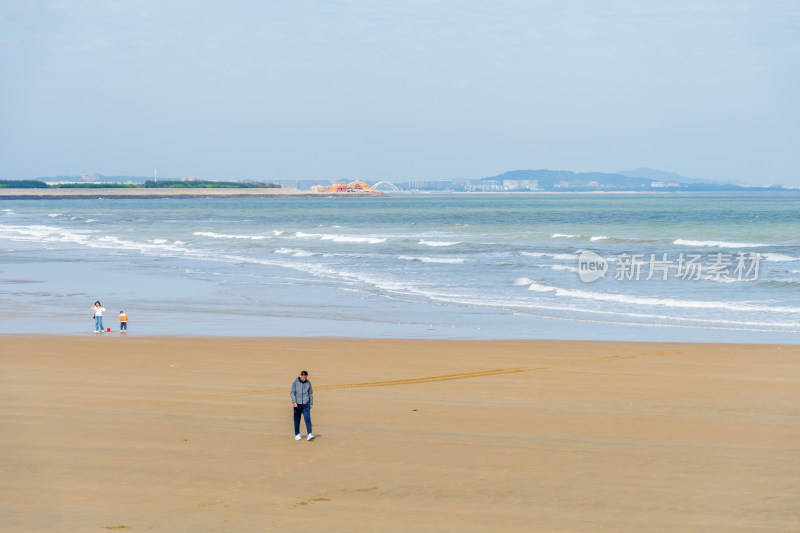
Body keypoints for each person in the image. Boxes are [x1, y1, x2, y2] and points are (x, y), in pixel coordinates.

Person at [290, 371, 314, 441]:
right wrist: (294, 402)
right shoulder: (295, 382)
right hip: (297, 404)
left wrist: (311, 402)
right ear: (301, 375)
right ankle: (297, 434)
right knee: (297, 420)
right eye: (304, 377)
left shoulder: (308, 382)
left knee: (308, 419)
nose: (305, 379)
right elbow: (292, 393)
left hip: (306, 404)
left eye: (306, 377)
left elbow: (310, 393)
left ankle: (309, 434)